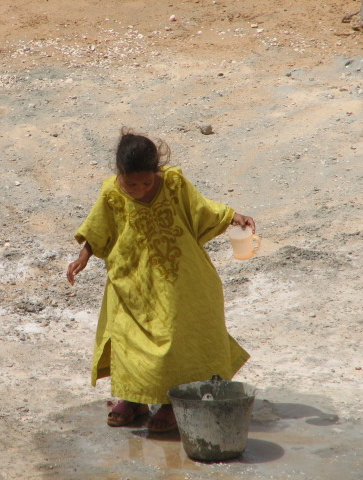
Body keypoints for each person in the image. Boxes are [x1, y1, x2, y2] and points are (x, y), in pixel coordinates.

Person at [66, 128, 255, 433]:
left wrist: (235, 216)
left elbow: (202, 208)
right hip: (132, 282)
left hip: (181, 282)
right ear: (120, 174)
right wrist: (82, 257)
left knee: (176, 341)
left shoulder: (173, 183)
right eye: (132, 183)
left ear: (157, 172)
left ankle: (170, 404)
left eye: (146, 181)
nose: (139, 188)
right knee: (131, 340)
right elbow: (97, 229)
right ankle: (134, 398)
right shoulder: (111, 193)